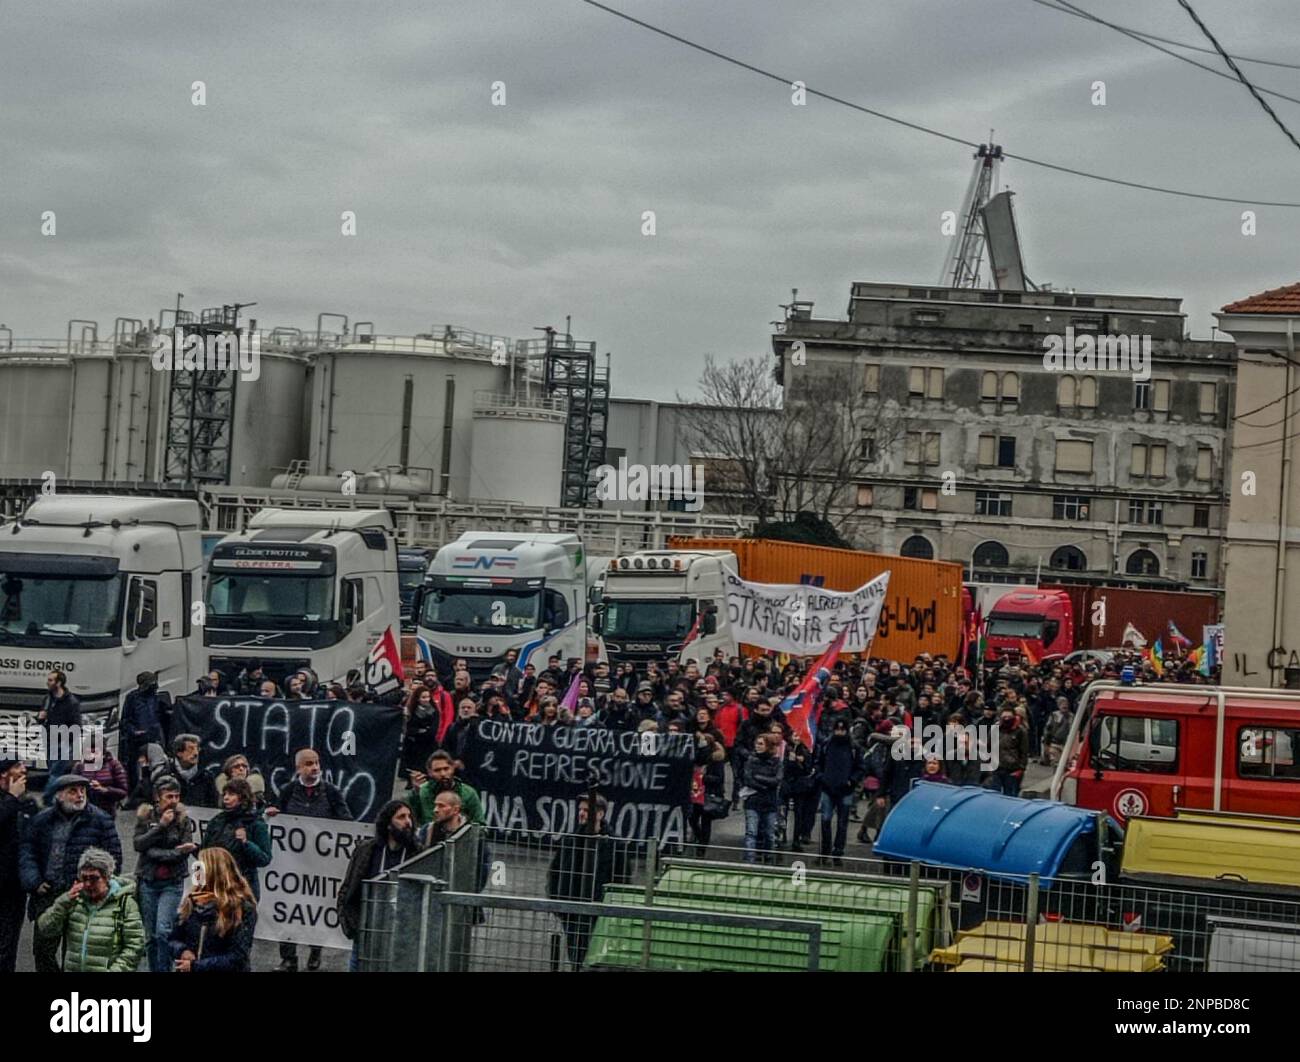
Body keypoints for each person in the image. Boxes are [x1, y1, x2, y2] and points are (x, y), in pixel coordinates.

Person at [20, 774, 122, 972]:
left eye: (82, 791)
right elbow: (28, 850)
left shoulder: (100, 820)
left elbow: (114, 857)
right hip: (48, 893)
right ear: (59, 795)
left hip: (82, 896)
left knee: (75, 953)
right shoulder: (42, 820)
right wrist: (34, 881)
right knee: (42, 950)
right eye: (73, 791)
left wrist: (96, 887)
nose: (79, 795)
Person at [266, 748, 352, 971]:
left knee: (316, 908)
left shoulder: (331, 792)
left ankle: (315, 950)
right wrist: (273, 814)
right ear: (298, 768)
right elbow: (277, 816)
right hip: (292, 863)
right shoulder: (288, 791)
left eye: (316, 763)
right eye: (308, 764)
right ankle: (288, 957)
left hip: (320, 865)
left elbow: (347, 823)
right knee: (287, 908)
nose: (314, 767)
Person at [545, 795, 632, 968]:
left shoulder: (615, 845)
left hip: (601, 913)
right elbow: (554, 872)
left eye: (586, 810)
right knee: (576, 958)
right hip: (572, 911)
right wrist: (557, 902)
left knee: (596, 958)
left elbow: (623, 879)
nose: (581, 814)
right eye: (580, 810)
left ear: (600, 814)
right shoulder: (570, 841)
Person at [338, 799, 421, 970]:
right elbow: (348, 888)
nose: (408, 822)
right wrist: (354, 926)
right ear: (388, 824)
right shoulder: (367, 850)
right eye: (401, 817)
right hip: (368, 930)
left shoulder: (418, 854)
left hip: (402, 933)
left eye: (409, 817)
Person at [36, 847, 144, 972]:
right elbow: (45, 929)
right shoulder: (73, 901)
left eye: (94, 878)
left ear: (107, 877)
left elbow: (134, 946)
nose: (88, 884)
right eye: (84, 878)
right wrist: (63, 903)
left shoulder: (125, 904)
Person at [133, 777, 198, 972]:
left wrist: (156, 853)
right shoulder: (146, 817)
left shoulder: (183, 819)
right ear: (158, 798)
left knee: (163, 931)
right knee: (151, 935)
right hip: (149, 880)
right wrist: (161, 826)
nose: (173, 800)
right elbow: (139, 844)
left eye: (177, 796)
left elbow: (183, 851)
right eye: (169, 796)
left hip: (172, 882)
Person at [170, 847, 258, 973]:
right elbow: (173, 939)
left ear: (212, 872)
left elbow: (238, 957)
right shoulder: (192, 902)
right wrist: (182, 950)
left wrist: (196, 966)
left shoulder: (242, 908)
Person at [203, 779, 273, 899]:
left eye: (231, 794)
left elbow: (264, 858)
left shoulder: (256, 823)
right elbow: (205, 851)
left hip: (244, 887)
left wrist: (247, 843)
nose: (226, 798)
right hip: (217, 886)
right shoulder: (217, 821)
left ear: (242, 797)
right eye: (224, 794)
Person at [0, 760, 36, 973]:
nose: (24, 769)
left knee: (8, 943)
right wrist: (11, 798)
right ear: (4, 774)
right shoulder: (11, 801)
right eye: (17, 765)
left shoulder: (27, 803)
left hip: (14, 886)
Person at [814, 718, 865, 865]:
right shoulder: (826, 745)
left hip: (845, 789)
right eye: (837, 729)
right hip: (827, 788)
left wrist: (852, 780)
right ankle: (824, 852)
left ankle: (837, 852)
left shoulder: (853, 747)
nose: (840, 732)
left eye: (842, 729)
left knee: (842, 823)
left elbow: (861, 767)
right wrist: (821, 778)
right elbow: (818, 763)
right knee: (825, 821)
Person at [119, 671, 169, 804]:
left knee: (157, 767)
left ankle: (153, 795)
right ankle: (134, 796)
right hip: (136, 740)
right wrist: (134, 731)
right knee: (134, 769)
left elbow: (162, 716)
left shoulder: (156, 698)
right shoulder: (132, 698)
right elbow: (125, 720)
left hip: (153, 738)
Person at [411, 750, 485, 828]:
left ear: (453, 768)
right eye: (437, 770)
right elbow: (412, 820)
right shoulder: (423, 791)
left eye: (446, 769)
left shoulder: (468, 793)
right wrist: (415, 792)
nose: (443, 774)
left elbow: (480, 825)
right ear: (429, 772)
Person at [39, 670, 82, 801]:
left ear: (59, 683)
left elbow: (76, 725)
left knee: (55, 773)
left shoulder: (71, 702)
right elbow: (43, 717)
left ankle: (46, 798)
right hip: (49, 740)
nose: (48, 682)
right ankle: (55, 800)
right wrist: (40, 718)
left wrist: (67, 741)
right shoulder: (48, 699)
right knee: (53, 772)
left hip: (62, 742)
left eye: (51, 680)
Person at [742, 733, 783, 865]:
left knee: (770, 835)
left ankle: (769, 860)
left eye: (761, 744)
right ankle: (750, 862)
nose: (757, 746)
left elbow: (776, 780)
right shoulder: (750, 760)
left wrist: (758, 778)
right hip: (753, 802)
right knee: (751, 832)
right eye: (757, 743)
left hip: (770, 803)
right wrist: (764, 785)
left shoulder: (776, 762)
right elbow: (748, 779)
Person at [151, 734, 218, 808]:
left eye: (197, 748)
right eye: (191, 749)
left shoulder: (206, 777)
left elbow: (213, 807)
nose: (196, 753)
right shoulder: (163, 774)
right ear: (179, 753)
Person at [73, 730, 129, 816]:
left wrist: (104, 789)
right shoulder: (79, 767)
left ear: (103, 753)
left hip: (106, 812)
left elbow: (123, 791)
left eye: (95, 752)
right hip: (84, 812)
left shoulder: (113, 765)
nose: (91, 756)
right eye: (88, 752)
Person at [401, 685, 443, 789]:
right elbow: (409, 730)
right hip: (413, 750)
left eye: (428, 697)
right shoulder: (411, 711)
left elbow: (432, 731)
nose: (426, 700)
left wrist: (420, 732)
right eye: (423, 697)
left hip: (429, 747)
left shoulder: (434, 712)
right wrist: (421, 731)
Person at [986, 707, 1029, 796]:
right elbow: (988, 747)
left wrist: (1021, 768)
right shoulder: (994, 729)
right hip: (996, 767)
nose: (1006, 718)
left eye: (1009, 716)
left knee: (1010, 795)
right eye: (1004, 716)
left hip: (1012, 769)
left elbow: (1024, 751)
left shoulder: (1020, 731)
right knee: (994, 794)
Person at [1043, 697, 1074, 766]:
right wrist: (1046, 744)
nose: (1064, 705)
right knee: (1056, 764)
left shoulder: (1072, 716)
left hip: (1067, 744)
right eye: (1061, 704)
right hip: (1055, 743)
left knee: (1066, 765)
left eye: (1065, 703)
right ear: (1058, 705)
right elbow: (1048, 730)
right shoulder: (1054, 715)